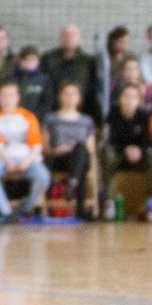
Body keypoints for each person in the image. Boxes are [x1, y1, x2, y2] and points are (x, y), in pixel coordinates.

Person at [0, 83, 51, 221]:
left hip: (27, 157)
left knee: (44, 176)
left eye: (11, 96)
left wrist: (27, 160)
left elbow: (36, 145)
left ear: (17, 98)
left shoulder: (28, 117)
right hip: (4, 159)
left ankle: (27, 206)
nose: (8, 99)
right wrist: (8, 160)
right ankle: (6, 212)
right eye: (4, 96)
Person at [43, 83, 96, 218]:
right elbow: (45, 148)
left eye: (74, 94)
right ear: (60, 96)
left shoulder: (86, 120)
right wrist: (58, 150)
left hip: (80, 158)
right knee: (81, 160)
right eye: (66, 93)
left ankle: (72, 184)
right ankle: (80, 208)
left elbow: (91, 149)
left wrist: (76, 148)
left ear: (79, 98)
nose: (70, 97)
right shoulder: (51, 119)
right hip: (58, 158)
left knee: (81, 150)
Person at [101, 83, 152, 209]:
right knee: (107, 154)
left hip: (139, 155)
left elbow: (149, 141)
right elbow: (109, 140)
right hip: (118, 153)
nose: (129, 100)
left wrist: (139, 150)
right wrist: (125, 149)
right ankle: (109, 201)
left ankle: (151, 203)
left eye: (133, 97)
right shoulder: (112, 114)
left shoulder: (145, 116)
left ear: (138, 100)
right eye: (126, 96)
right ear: (120, 98)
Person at [43, 25, 99, 120]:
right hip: (53, 110)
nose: (69, 38)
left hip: (80, 111)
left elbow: (92, 88)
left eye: (73, 35)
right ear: (60, 38)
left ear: (79, 38)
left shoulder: (88, 61)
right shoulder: (48, 59)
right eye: (66, 35)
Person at [99, 26, 137, 116]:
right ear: (114, 42)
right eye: (121, 42)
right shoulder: (105, 58)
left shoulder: (130, 56)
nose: (124, 45)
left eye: (126, 42)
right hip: (111, 91)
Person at [10, 46, 53, 120]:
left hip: (36, 119)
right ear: (20, 61)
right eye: (26, 59)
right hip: (15, 118)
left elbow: (47, 102)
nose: (29, 63)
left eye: (32, 59)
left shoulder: (44, 80)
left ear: (38, 61)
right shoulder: (13, 80)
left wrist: (35, 116)